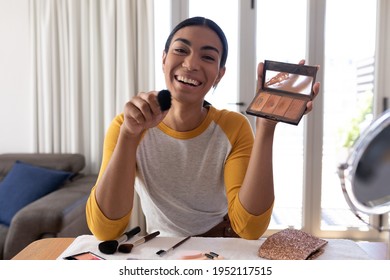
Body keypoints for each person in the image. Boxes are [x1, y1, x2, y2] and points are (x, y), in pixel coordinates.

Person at [86, 16, 320, 240]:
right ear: (164, 59)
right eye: (180, 50)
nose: (191, 64)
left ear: (219, 75)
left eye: (207, 57)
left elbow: (250, 229)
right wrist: (129, 135)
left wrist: (266, 127)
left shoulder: (233, 126)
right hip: (161, 248)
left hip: (219, 243)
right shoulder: (127, 125)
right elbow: (105, 230)